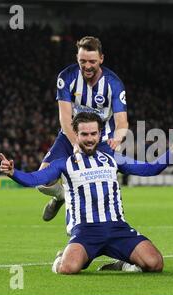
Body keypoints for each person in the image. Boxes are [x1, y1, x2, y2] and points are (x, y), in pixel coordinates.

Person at [0, 112, 173, 274]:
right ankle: (61, 257)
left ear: (99, 134)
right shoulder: (64, 163)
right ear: (76, 134)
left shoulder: (112, 158)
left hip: (117, 228)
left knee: (155, 263)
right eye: (84, 134)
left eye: (93, 133)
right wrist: (13, 173)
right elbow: (35, 179)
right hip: (85, 232)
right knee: (68, 268)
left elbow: (149, 169)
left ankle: (121, 263)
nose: (89, 138)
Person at [38, 36, 129, 222]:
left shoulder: (114, 84)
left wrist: (117, 139)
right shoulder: (66, 77)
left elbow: (122, 122)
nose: (87, 66)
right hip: (71, 136)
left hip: (102, 141)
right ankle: (61, 196)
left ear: (101, 59)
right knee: (42, 181)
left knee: (93, 196)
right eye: (83, 61)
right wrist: (75, 144)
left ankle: (76, 245)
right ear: (77, 58)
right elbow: (64, 118)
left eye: (92, 62)